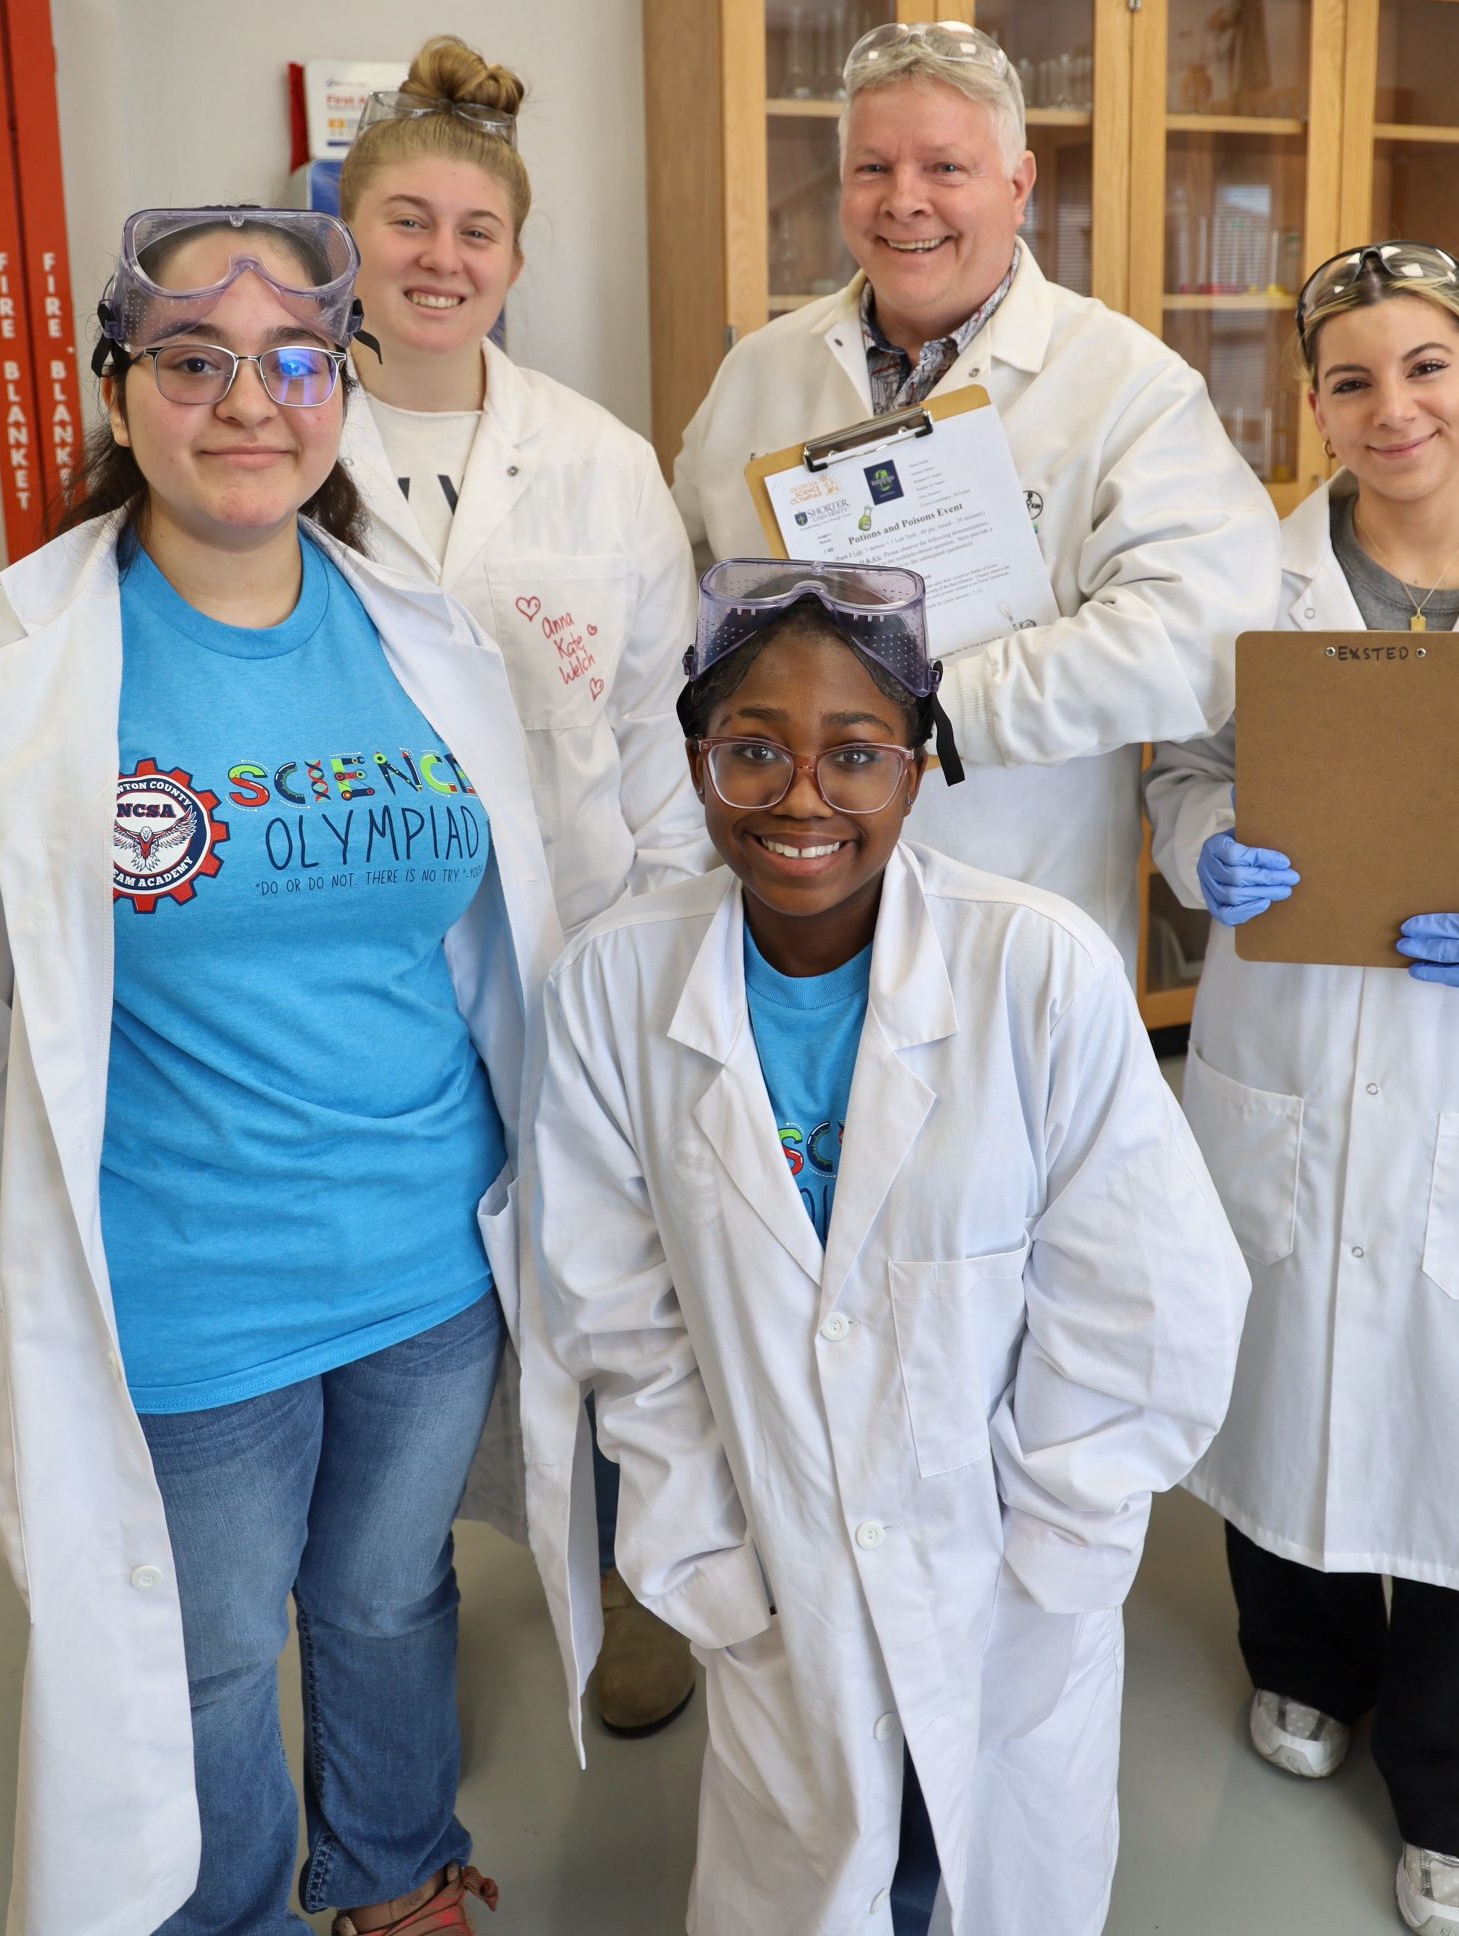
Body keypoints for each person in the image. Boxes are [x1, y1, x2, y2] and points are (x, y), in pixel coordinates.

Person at [0, 208, 565, 1936]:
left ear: (339, 390)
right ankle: (228, 1917)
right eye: (194, 361)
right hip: (181, 1286)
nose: (247, 402)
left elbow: (492, 940)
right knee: (203, 1652)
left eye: (292, 359)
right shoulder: (4, 674)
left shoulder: (422, 636)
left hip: (434, 1261)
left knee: (384, 1597)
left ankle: (391, 1864)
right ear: (118, 392)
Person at [528, 558, 1251, 1936]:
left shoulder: (1037, 969)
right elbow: (610, 1310)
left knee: (991, 1870)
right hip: (771, 1561)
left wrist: (1052, 1550)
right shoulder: (615, 982)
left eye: (853, 753)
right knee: (822, 1873)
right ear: (697, 763)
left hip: (1007, 1571)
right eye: (753, 751)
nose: (801, 796)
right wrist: (706, 1560)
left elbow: (1141, 1297)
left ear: (916, 773)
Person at [1144, 242, 1459, 1936]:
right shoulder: (1242, 585)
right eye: (1349, 378)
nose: (1390, 407)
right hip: (1284, 1067)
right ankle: (1302, 1667)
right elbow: (1186, 771)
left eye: (1424, 367)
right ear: (1313, 403)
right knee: (1276, 1381)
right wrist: (1206, 848)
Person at [337, 34, 709, 1733]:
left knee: (617, 1302)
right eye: (404, 221)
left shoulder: (599, 460)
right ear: (344, 236)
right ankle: (390, 1606)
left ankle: (637, 1584)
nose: (437, 259)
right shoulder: (275, 440)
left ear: (515, 259)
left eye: (472, 231)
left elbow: (650, 740)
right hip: (357, 984)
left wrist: (663, 964)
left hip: (572, 962)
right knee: (405, 1336)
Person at [671, 20, 1281, 970]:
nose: (903, 201)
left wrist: (929, 709)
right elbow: (689, 581)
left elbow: (1195, 634)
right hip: (783, 891)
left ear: (1019, 186)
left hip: (1015, 905)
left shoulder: (1125, 385)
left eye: (944, 168)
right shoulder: (759, 373)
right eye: (871, 168)